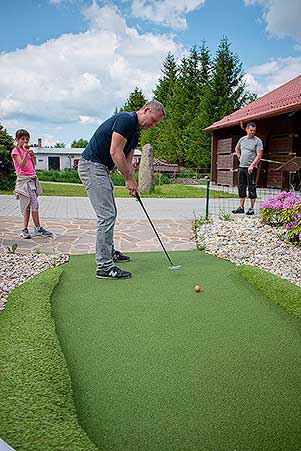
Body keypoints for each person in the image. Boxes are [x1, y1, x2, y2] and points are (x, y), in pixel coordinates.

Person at [78, 100, 165, 279]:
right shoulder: (126, 120)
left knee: (110, 212)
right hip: (92, 166)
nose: (153, 125)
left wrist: (131, 182)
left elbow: (126, 159)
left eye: (156, 123)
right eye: (153, 120)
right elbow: (114, 151)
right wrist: (129, 179)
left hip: (101, 168)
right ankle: (104, 266)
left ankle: (109, 252)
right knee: (106, 215)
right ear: (146, 110)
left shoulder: (135, 132)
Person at [11, 129, 52, 239]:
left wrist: (32, 157)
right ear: (17, 140)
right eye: (22, 139)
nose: (25, 141)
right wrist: (25, 154)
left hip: (31, 179)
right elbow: (22, 165)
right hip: (24, 181)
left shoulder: (28, 152)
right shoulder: (16, 151)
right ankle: (37, 228)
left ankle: (26, 229)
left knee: (29, 205)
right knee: (33, 203)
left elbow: (33, 167)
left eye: (27, 139)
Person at [232, 121, 263, 216]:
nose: (252, 132)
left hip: (251, 169)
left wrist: (252, 165)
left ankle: (251, 208)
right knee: (241, 187)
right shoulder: (242, 140)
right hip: (242, 167)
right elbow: (236, 148)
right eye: (251, 130)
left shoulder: (257, 141)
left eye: (254, 131)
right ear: (247, 129)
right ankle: (241, 207)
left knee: (251, 187)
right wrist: (239, 156)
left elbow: (259, 155)